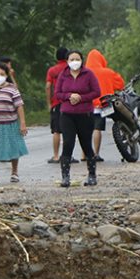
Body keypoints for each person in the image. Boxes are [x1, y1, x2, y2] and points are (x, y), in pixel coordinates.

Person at [53, 50, 102, 187]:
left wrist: (81, 97)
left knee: (86, 144)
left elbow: (96, 91)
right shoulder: (63, 75)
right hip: (67, 114)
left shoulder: (89, 74)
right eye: (72, 59)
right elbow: (57, 93)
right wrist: (69, 96)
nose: (75, 62)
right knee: (68, 143)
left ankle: (92, 175)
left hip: (85, 114)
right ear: (67, 61)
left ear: (82, 60)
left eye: (77, 59)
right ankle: (65, 176)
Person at [85, 49, 125, 162]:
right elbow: (120, 84)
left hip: (86, 106)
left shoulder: (84, 73)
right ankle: (96, 154)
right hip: (103, 105)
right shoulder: (107, 72)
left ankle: (84, 155)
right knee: (97, 129)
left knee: (86, 130)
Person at [45, 47, 78, 164]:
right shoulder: (71, 69)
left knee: (57, 130)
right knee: (70, 130)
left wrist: (49, 103)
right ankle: (69, 156)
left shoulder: (52, 70)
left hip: (57, 102)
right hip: (71, 102)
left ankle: (55, 156)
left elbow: (48, 86)